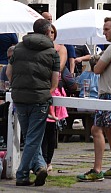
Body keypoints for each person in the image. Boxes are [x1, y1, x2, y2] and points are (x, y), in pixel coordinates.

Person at [7, 18, 59, 186]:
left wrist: (17, 86)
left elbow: (9, 72)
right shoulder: (52, 52)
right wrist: (48, 92)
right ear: (47, 32)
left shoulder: (18, 48)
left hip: (20, 98)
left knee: (30, 136)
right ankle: (22, 174)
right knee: (33, 138)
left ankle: (39, 167)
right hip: (39, 99)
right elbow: (55, 80)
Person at [77, 17, 111, 182]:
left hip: (109, 93)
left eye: (107, 29)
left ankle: (97, 169)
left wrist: (95, 60)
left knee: (96, 130)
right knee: (110, 130)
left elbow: (97, 69)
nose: (104, 33)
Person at [42, 84, 68, 172]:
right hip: (53, 114)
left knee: (47, 139)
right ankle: (46, 162)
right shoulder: (59, 86)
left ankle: (46, 162)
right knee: (48, 138)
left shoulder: (57, 87)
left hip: (52, 114)